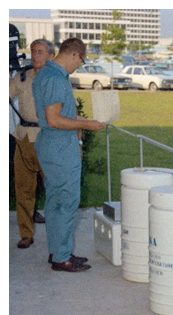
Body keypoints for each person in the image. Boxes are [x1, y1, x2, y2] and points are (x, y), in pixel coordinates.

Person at [32, 37, 105, 273]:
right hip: (60, 147)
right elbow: (54, 119)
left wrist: (84, 121)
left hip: (52, 145)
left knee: (55, 202)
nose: (80, 65)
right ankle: (61, 257)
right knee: (66, 203)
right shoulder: (55, 78)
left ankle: (58, 250)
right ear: (74, 54)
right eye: (81, 61)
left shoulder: (47, 74)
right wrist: (85, 126)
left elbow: (58, 114)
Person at [10, 39, 53, 249]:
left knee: (54, 191)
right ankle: (26, 234)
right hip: (24, 138)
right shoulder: (22, 76)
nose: (36, 56)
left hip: (48, 139)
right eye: (33, 51)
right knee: (24, 190)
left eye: (41, 52)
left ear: (50, 56)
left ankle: (57, 235)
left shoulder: (56, 79)